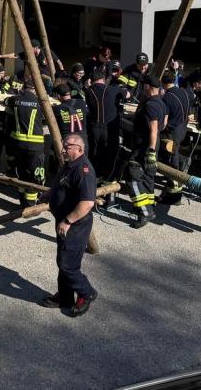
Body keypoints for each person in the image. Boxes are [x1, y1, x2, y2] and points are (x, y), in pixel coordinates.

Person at [39, 134, 97, 317]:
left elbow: (87, 203)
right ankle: (64, 297)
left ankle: (86, 292)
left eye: (68, 146)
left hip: (75, 225)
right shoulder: (69, 164)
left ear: (79, 149)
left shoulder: (83, 170)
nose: (63, 149)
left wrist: (67, 221)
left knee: (68, 265)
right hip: (64, 221)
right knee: (63, 259)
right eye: (64, 145)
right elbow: (63, 185)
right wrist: (50, 193)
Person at [84, 66, 127, 210]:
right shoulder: (113, 89)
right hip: (110, 131)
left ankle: (95, 194)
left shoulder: (89, 91)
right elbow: (126, 95)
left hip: (95, 130)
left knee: (95, 160)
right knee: (111, 162)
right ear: (104, 79)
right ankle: (110, 198)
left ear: (91, 80)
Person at [128, 75, 166, 228]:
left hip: (144, 146)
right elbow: (164, 123)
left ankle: (144, 212)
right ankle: (150, 207)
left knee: (133, 177)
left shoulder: (151, 104)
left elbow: (154, 129)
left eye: (144, 86)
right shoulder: (161, 102)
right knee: (148, 177)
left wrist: (149, 150)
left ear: (148, 87)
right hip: (152, 145)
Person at [5, 75, 47, 207]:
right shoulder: (41, 103)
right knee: (35, 175)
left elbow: (6, 101)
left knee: (22, 173)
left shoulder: (16, 100)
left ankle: (23, 201)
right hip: (35, 146)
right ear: (35, 89)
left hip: (19, 144)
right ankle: (30, 205)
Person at [157, 71, 193, 205]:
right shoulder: (183, 92)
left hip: (172, 132)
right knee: (175, 155)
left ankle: (174, 195)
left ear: (163, 83)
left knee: (171, 162)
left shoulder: (167, 97)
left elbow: (164, 121)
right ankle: (181, 165)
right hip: (182, 128)